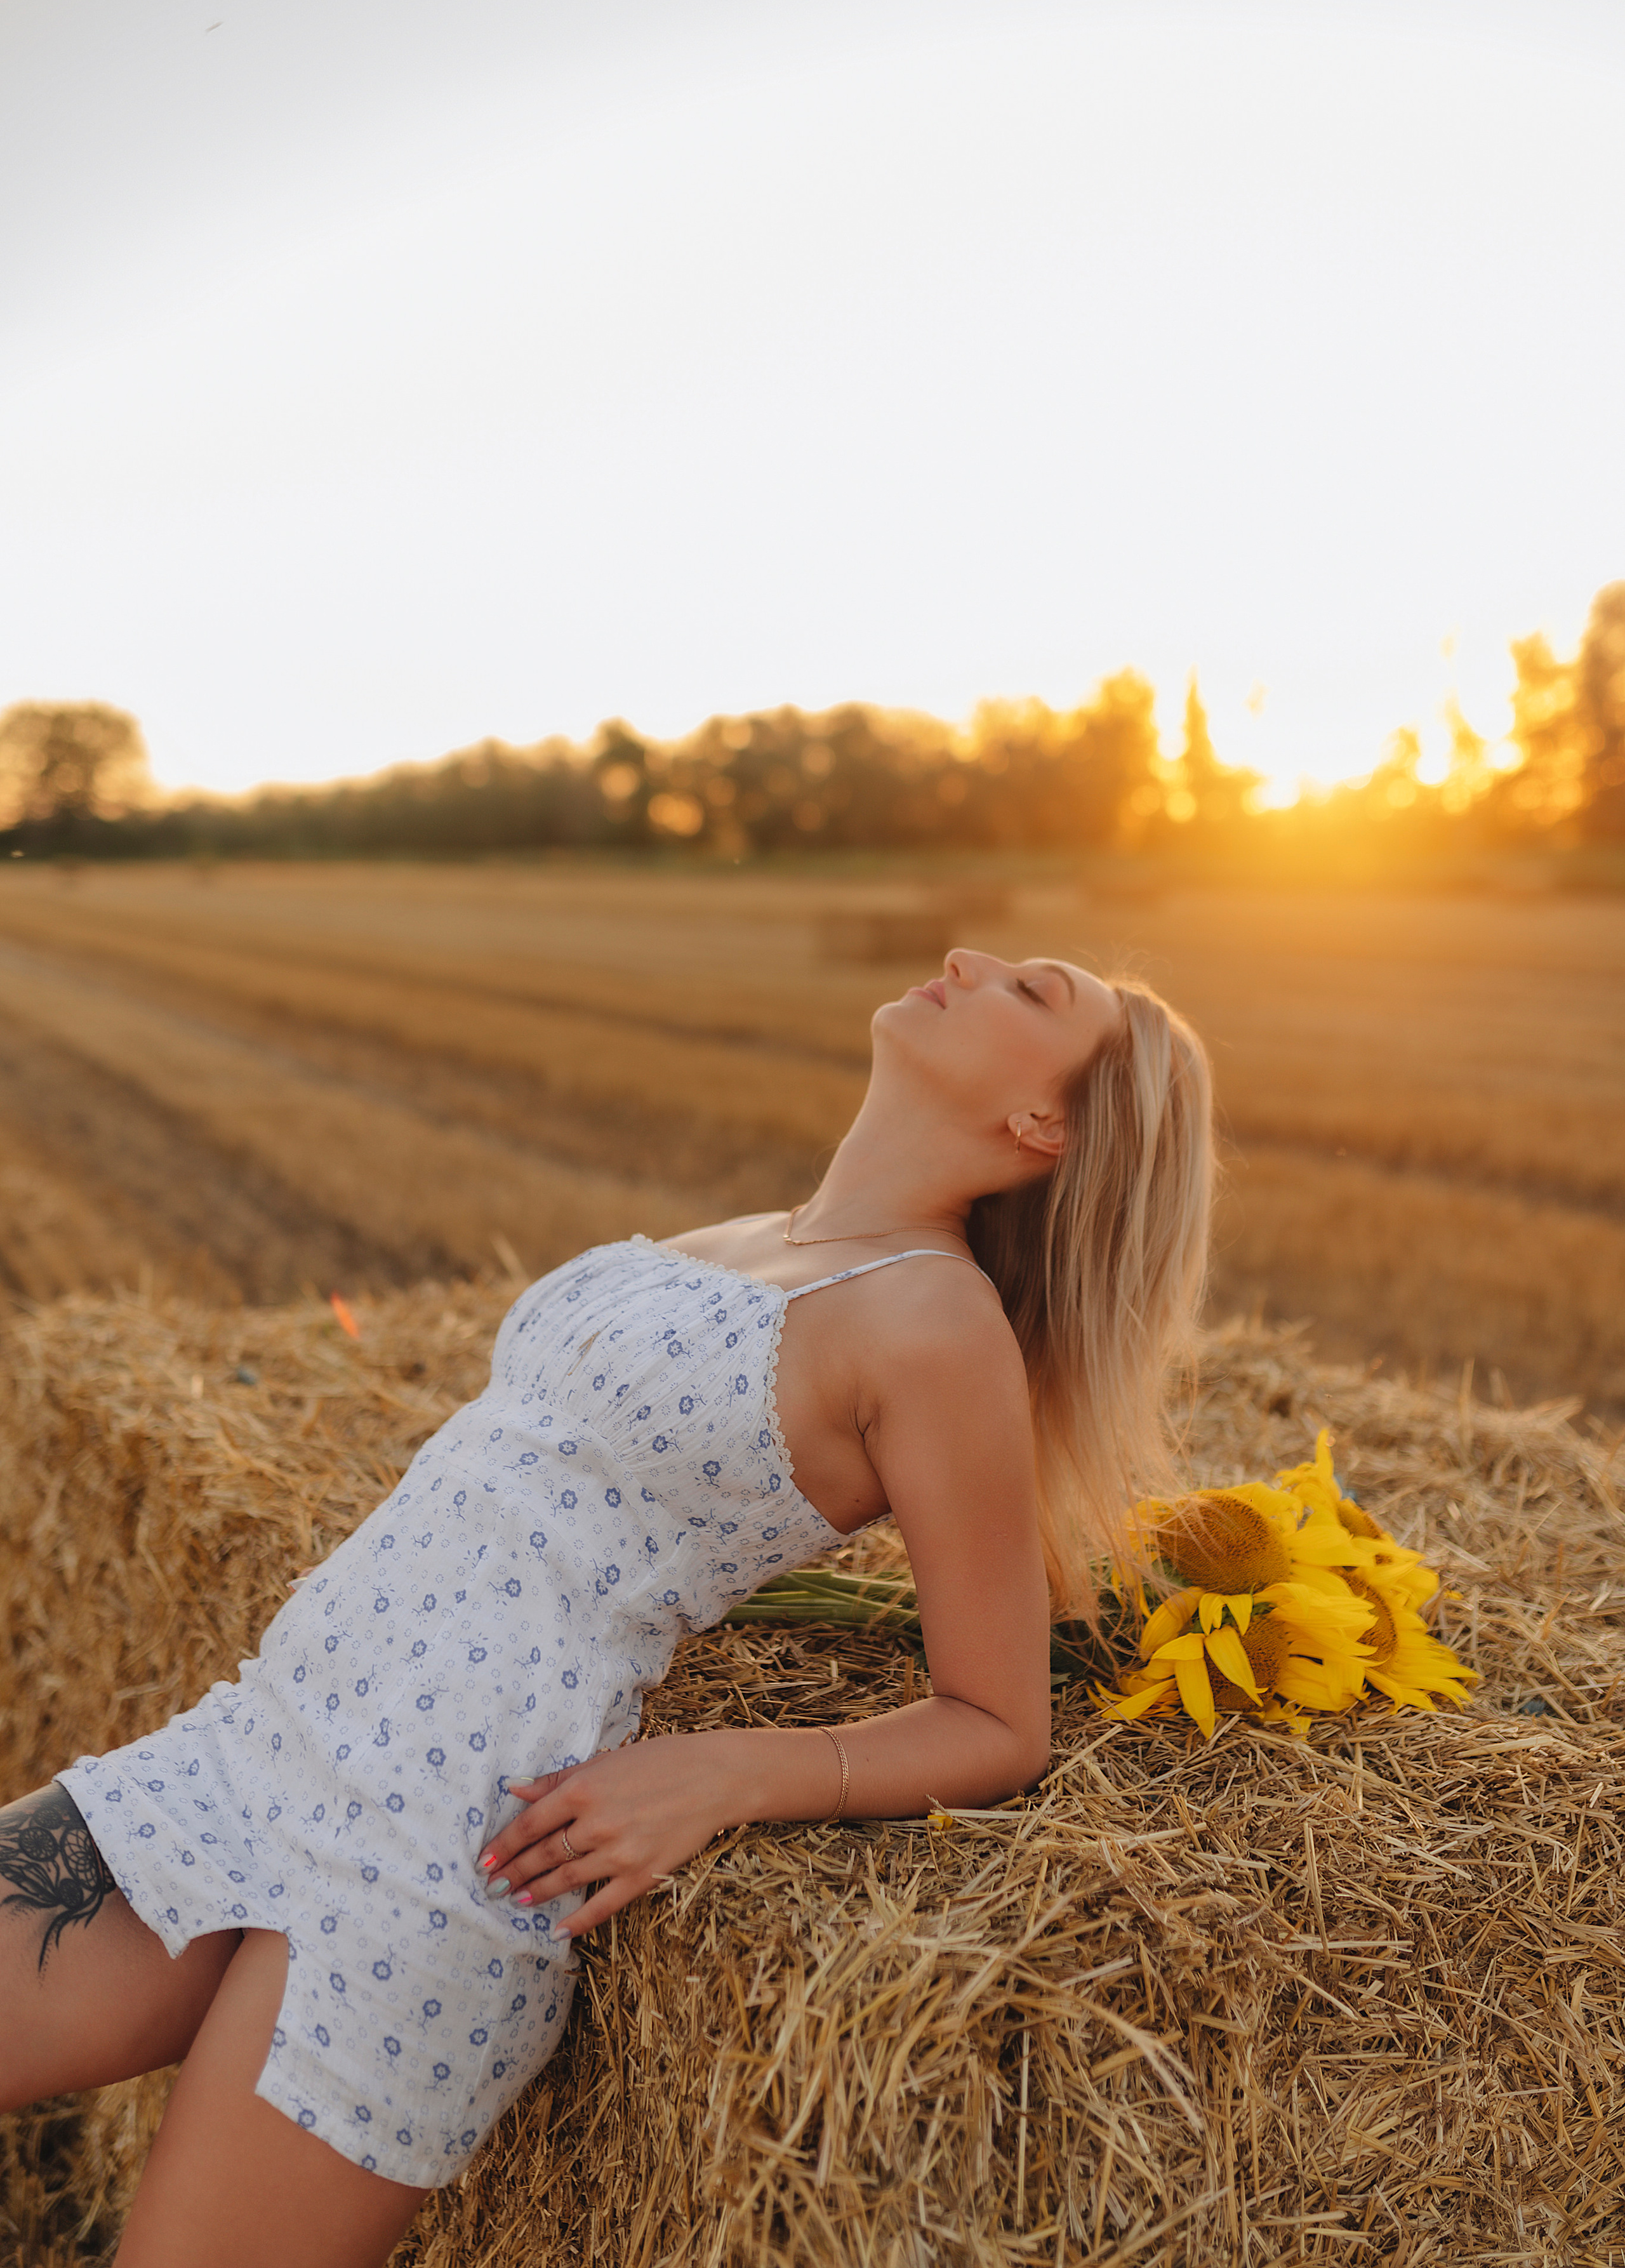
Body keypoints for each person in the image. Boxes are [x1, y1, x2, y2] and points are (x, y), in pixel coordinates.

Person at [0, 948, 1212, 2268]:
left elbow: (994, 1715)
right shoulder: (764, 1235)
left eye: (1029, 993)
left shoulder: (933, 1323)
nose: (969, 958)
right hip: (260, 1746)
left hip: (435, 1863)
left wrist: (714, 1770)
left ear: (1046, 1124)